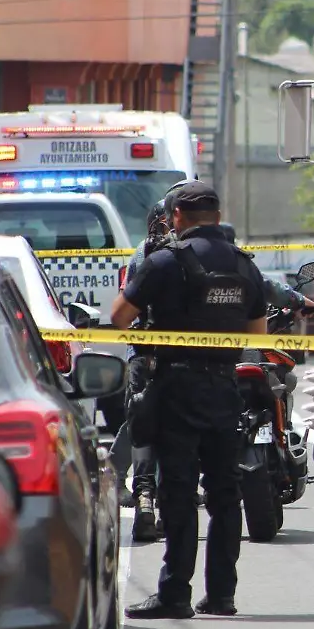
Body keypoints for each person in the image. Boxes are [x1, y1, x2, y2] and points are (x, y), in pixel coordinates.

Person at [113, 181, 267, 618]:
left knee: (177, 493)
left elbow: (118, 317)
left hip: (175, 387)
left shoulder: (164, 261)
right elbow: (257, 337)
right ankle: (221, 595)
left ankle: (175, 593)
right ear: (217, 216)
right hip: (223, 387)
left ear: (176, 215)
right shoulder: (244, 265)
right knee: (224, 493)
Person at [108, 197, 173, 542]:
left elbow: (123, 311)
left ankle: (143, 494)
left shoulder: (144, 254)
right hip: (165, 355)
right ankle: (142, 492)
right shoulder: (155, 255)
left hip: (146, 352)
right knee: (151, 422)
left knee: (142, 418)